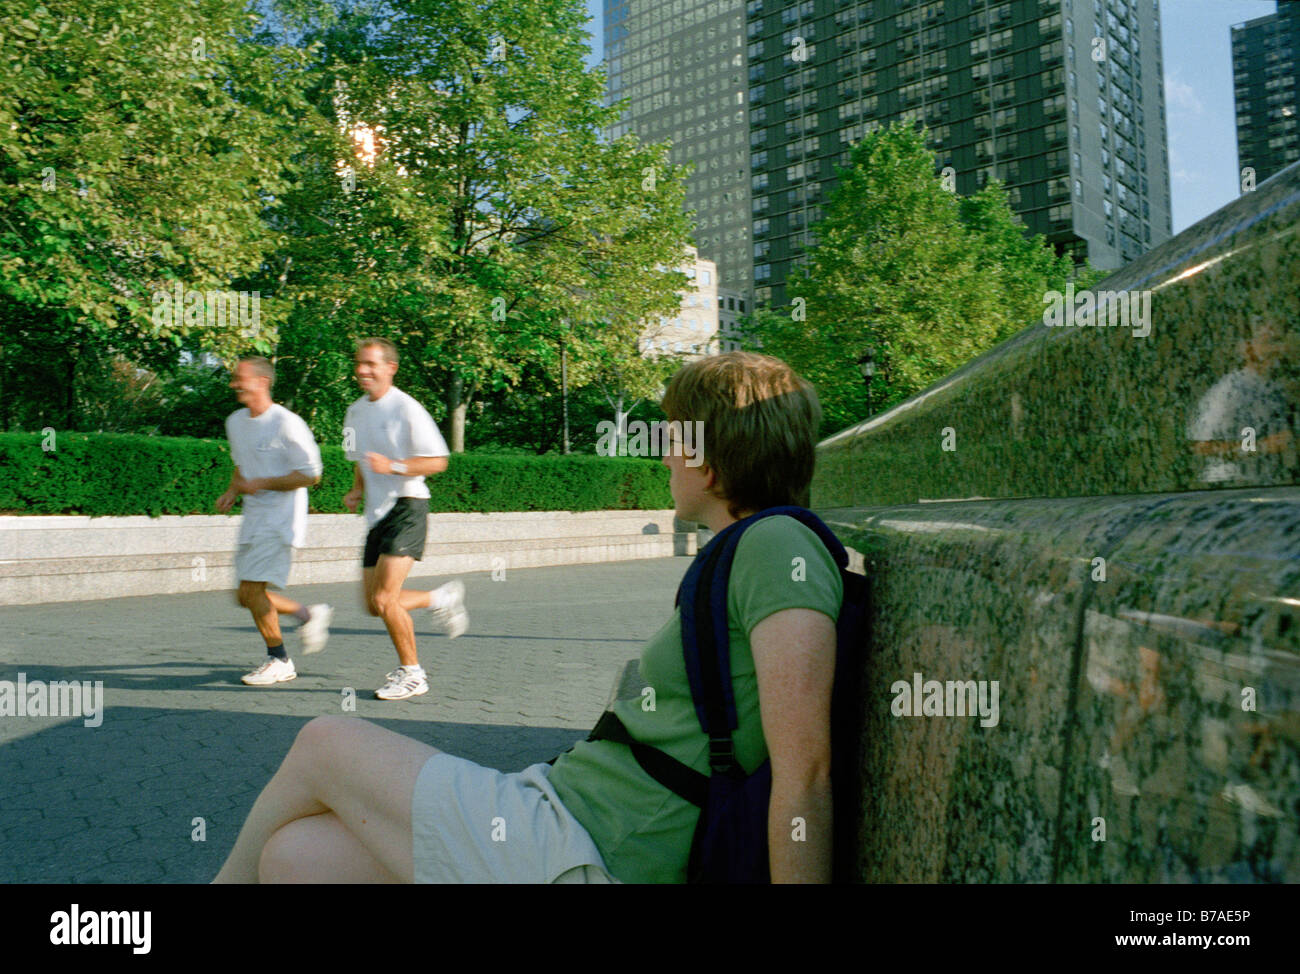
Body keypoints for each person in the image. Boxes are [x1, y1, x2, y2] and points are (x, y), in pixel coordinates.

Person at [213, 351, 841, 883]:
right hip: (566, 813)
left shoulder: (776, 544)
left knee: (326, 740)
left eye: (673, 438)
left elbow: (805, 774)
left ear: (710, 457)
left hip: (594, 845)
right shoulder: (754, 546)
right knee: (296, 858)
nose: (664, 457)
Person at [343, 338, 469, 701]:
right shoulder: (355, 411)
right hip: (377, 512)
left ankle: (413, 674)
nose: (362, 370)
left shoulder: (407, 409)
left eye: (371, 364)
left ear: (390, 368)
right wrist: (356, 489)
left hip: (409, 505)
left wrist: (394, 466)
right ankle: (439, 597)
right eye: (359, 363)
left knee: (385, 599)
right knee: (373, 604)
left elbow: (438, 461)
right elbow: (361, 459)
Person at [217, 357, 332, 686]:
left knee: (253, 590)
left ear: (262, 382)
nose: (233, 385)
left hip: (282, 518)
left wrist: (262, 483)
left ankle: (279, 659)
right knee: (245, 595)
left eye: (240, 379)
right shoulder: (235, 421)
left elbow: (311, 475)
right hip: (253, 516)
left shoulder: (286, 423)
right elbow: (242, 463)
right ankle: (307, 614)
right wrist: (233, 489)